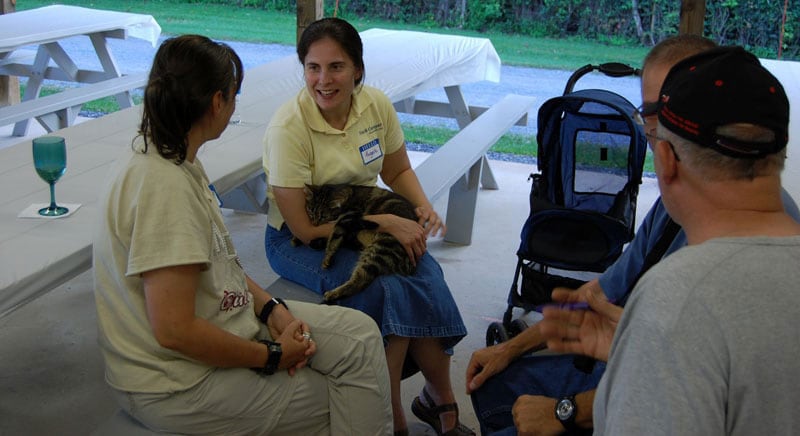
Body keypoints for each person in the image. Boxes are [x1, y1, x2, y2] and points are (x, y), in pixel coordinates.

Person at [466, 35, 800, 435]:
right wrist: (514, 347)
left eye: (656, 118)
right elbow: (605, 300)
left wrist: (565, 409)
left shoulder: (678, 293)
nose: (650, 129)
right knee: (498, 386)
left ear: (665, 157)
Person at [92, 34, 392, 435]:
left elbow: (219, 265)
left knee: (360, 337)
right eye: (234, 95)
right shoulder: (163, 187)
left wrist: (272, 310)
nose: (234, 106)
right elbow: (173, 330)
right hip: (175, 383)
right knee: (345, 397)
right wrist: (270, 355)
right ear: (218, 102)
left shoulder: (171, 156)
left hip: (226, 326)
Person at [262, 17, 472, 436]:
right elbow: (303, 227)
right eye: (313, 67)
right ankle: (391, 414)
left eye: (336, 67)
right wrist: (387, 221)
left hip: (370, 220)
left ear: (357, 68)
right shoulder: (288, 127)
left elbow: (396, 170)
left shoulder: (374, 104)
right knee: (383, 287)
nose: (323, 80)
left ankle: (439, 398)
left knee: (425, 272)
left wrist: (422, 210)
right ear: (303, 69)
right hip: (301, 239)